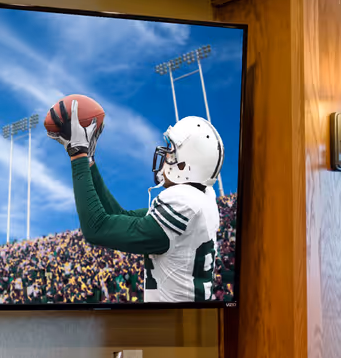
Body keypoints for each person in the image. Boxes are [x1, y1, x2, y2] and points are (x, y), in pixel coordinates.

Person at [46, 94, 223, 304]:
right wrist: (89, 160)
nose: (166, 155)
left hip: (172, 326)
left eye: (172, 151)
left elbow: (96, 228)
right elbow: (119, 216)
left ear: (186, 165)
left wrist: (78, 155)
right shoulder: (202, 197)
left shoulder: (183, 204)